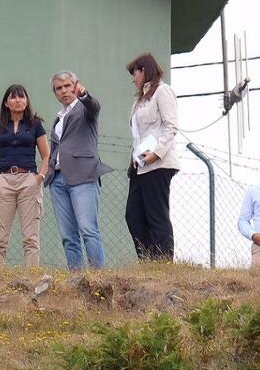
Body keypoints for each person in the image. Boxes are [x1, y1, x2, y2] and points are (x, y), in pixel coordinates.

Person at [45, 71, 113, 270]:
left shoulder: (84, 108)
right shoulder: (58, 118)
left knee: (88, 229)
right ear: (55, 93)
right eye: (59, 88)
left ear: (76, 86)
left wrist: (84, 95)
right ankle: (76, 279)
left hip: (83, 175)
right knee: (68, 235)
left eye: (68, 86)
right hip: (58, 179)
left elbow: (94, 106)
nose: (64, 91)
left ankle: (99, 277)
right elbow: (56, 148)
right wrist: (49, 171)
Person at [0, 84, 49, 269]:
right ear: (6, 102)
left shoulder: (35, 124)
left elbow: (46, 155)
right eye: (13, 97)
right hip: (3, 179)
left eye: (21, 97)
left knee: (31, 236)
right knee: (0, 237)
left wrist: (40, 178)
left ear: (27, 101)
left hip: (28, 179)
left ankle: (33, 277)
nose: (17, 100)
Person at [124, 53, 180, 261]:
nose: (133, 78)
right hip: (140, 164)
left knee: (156, 215)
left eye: (135, 73)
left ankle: (163, 261)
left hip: (158, 163)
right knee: (134, 215)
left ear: (144, 71)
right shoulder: (140, 99)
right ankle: (148, 259)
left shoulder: (162, 92)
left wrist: (156, 154)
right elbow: (139, 133)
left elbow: (171, 126)